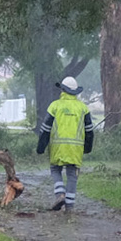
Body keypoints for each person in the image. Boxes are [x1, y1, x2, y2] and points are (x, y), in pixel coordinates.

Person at [36, 76, 94, 211]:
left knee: (55, 169)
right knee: (72, 175)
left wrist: (41, 147)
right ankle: (70, 207)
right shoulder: (83, 108)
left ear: (62, 90)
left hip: (57, 147)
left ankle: (60, 194)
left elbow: (45, 129)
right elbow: (89, 131)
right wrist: (87, 148)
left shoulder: (55, 106)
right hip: (76, 149)